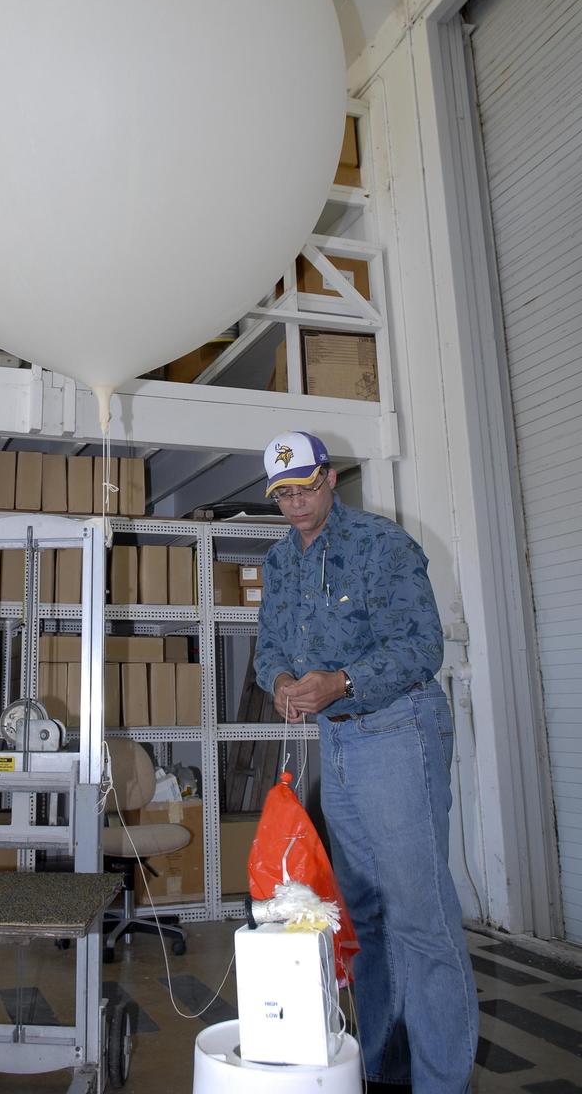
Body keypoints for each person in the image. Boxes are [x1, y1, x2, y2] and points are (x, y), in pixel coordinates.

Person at [254, 430, 478, 1094]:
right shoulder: (278, 562)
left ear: (331, 479)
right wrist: (281, 684)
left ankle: (444, 1084)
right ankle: (384, 1068)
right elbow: (270, 643)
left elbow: (422, 646)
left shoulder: (381, 546)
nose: (297, 504)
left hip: (397, 727)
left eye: (307, 487)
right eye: (283, 494)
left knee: (418, 913)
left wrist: (342, 682)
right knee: (367, 912)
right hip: (341, 741)